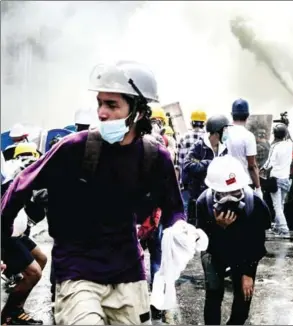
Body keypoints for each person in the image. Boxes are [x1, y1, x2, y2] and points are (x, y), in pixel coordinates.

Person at [1, 61, 186, 325]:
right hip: (78, 272)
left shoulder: (155, 156)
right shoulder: (73, 148)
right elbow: (21, 184)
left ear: (138, 111)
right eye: (100, 103)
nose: (101, 112)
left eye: (112, 105)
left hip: (129, 274)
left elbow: (174, 208)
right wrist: (4, 233)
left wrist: (179, 229)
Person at [196, 155, 269, 325]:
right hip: (213, 251)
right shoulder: (203, 203)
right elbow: (201, 240)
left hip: (244, 253)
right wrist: (218, 227)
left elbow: (257, 243)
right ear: (214, 190)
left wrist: (248, 273)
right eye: (223, 194)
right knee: (213, 293)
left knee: (243, 297)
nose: (229, 198)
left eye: (235, 193)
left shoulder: (255, 204)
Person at [1, 143, 48, 325]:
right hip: (7, 234)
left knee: (42, 259)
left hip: (18, 233)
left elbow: (35, 211)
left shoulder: (27, 177)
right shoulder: (11, 178)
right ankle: (7, 316)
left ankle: (17, 308)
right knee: (34, 273)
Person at [183, 114, 229, 225]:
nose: (227, 132)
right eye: (225, 129)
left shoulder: (224, 148)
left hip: (217, 195)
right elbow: (188, 164)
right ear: (217, 132)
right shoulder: (199, 146)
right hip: (199, 194)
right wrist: (209, 163)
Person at [224, 99, 262, 199]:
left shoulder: (224, 133)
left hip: (226, 183)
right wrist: (258, 188)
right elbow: (252, 166)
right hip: (243, 185)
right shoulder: (248, 136)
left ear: (232, 114)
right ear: (247, 115)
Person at [262, 123, 293, 237]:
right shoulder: (289, 144)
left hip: (275, 179)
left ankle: (284, 230)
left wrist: (262, 168)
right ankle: (277, 227)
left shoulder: (275, 147)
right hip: (286, 179)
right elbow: (289, 135)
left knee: (277, 206)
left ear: (275, 134)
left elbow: (270, 163)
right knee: (281, 204)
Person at [176, 109, 207, 182]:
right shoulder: (208, 137)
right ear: (204, 123)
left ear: (191, 123)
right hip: (205, 181)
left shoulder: (183, 138)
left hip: (188, 180)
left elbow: (180, 162)